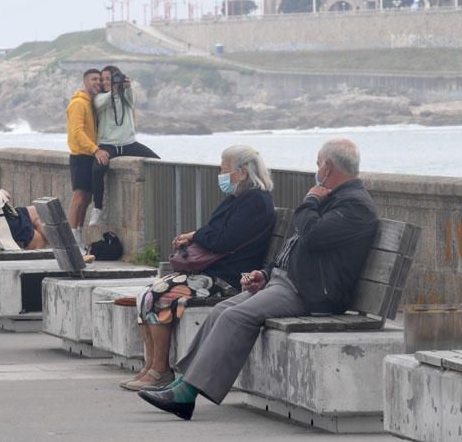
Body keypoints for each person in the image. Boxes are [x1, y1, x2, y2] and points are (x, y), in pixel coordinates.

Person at [137, 138, 379, 420]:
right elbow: (297, 247)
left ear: (326, 167)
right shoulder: (334, 199)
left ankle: (186, 395)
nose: (316, 169)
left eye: (317, 164)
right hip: (290, 281)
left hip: (312, 293)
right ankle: (182, 382)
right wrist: (265, 274)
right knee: (222, 310)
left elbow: (312, 237)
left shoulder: (354, 206)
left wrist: (310, 201)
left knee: (235, 317)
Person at [121, 145, 275, 391]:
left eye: (224, 170)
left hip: (234, 278)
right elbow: (214, 231)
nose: (221, 175)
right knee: (146, 293)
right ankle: (150, 366)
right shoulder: (238, 199)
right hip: (214, 272)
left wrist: (197, 235)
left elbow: (223, 239)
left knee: (160, 293)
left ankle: (160, 371)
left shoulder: (256, 202)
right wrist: (200, 235)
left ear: (242, 172)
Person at [89, 65, 159, 226]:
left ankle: (158, 194)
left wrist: (127, 88)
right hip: (108, 145)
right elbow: (100, 105)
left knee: (157, 162)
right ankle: (97, 208)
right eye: (104, 79)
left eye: (110, 78)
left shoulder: (124, 94)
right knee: (97, 169)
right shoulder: (99, 98)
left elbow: (131, 101)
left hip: (129, 143)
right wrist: (113, 91)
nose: (107, 82)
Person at [67, 69, 103, 251]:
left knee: (87, 198)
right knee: (79, 198)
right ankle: (73, 240)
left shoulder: (91, 103)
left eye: (99, 79)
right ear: (85, 81)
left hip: (89, 156)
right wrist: (95, 149)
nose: (98, 82)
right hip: (80, 156)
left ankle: (79, 237)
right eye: (93, 79)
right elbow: (77, 132)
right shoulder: (79, 103)